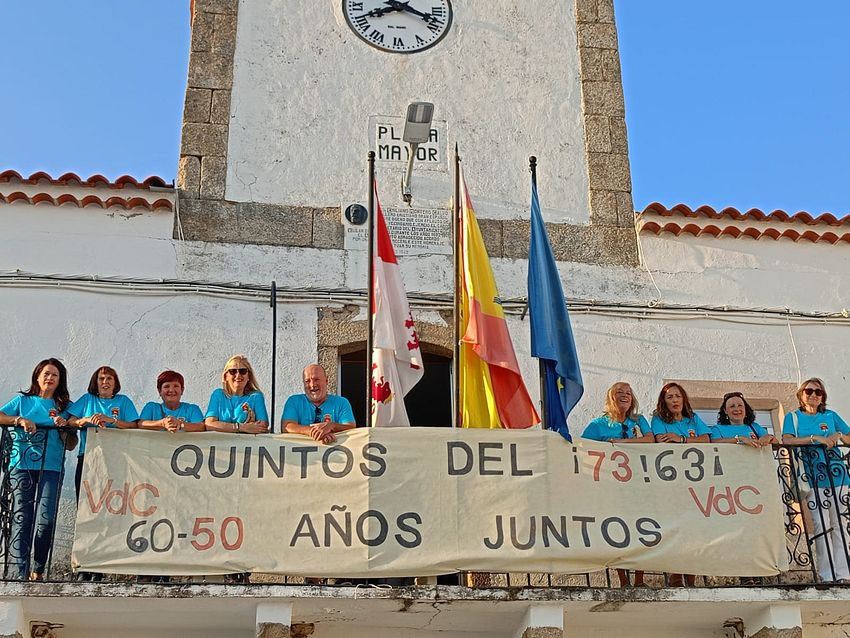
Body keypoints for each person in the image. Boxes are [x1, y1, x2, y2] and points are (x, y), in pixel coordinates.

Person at [0, 358, 73, 581]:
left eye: (55, 375)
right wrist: (19, 419)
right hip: (21, 466)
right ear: (37, 376)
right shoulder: (23, 401)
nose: (50, 378)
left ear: (60, 381)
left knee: (46, 519)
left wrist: (63, 427)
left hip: (51, 467)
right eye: (46, 373)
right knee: (22, 518)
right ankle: (17, 573)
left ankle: (38, 569)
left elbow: (71, 444)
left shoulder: (65, 407)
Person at [582, 382, 653, 587]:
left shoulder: (638, 420)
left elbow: (649, 441)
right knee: (618, 532)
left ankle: (639, 580)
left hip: (638, 485)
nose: (625, 395)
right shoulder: (598, 425)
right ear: (611, 398)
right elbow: (584, 449)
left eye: (628, 393)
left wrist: (618, 443)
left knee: (642, 529)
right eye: (619, 392)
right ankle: (623, 580)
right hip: (611, 487)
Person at [781, 377, 850, 583]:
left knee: (840, 523)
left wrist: (837, 433)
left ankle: (843, 573)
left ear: (822, 397)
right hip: (812, 476)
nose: (813, 395)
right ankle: (826, 574)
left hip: (837, 474)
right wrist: (815, 439)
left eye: (818, 392)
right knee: (821, 524)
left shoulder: (831, 415)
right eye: (809, 391)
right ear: (801, 395)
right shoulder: (793, 417)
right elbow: (787, 440)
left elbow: (848, 438)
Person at [651, 382, 709, 587]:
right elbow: (660, 439)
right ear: (663, 402)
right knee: (674, 527)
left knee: (692, 528)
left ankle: (691, 575)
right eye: (669, 397)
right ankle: (675, 573)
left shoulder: (693, 419)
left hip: (695, 481)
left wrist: (681, 440)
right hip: (671, 480)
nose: (674, 400)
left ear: (683, 399)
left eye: (678, 396)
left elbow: (707, 440)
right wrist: (681, 440)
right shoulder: (658, 419)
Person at [68, 366, 139, 498]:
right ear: (95, 382)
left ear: (115, 382)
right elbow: (71, 421)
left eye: (109, 378)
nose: (105, 381)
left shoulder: (123, 401)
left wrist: (112, 421)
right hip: (88, 457)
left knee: (114, 499)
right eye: (101, 378)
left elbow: (134, 425)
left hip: (117, 457)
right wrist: (86, 420)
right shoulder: (87, 399)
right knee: (85, 500)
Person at [282, 364, 356, 444]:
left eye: (316, 379)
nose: (312, 385)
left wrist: (331, 426)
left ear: (326, 381)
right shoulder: (294, 401)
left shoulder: (341, 402)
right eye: (307, 381)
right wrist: (316, 432)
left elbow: (351, 428)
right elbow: (287, 427)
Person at [204, 355, 269, 435]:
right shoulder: (218, 395)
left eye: (243, 371)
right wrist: (241, 427)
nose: (238, 375)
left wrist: (224, 427)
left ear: (248, 376)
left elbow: (262, 426)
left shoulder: (256, 396)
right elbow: (209, 425)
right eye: (233, 371)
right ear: (226, 377)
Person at [138, 370, 206, 432]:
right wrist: (162, 423)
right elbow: (140, 424)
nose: (171, 390)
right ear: (159, 391)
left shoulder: (192, 409)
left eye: (176, 386)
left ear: (182, 390)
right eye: (166, 386)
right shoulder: (151, 408)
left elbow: (201, 427)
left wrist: (179, 424)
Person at [710, 392, 776, 448]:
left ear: (745, 409)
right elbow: (713, 442)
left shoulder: (755, 427)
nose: (737, 409)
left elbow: (776, 445)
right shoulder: (717, 429)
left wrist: (769, 437)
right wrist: (740, 439)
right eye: (732, 406)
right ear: (725, 411)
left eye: (740, 405)